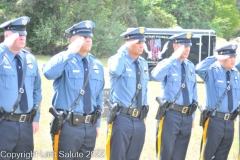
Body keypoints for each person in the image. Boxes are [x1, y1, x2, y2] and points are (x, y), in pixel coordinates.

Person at [42, 20, 104, 160]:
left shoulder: (97, 64)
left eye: (90, 37)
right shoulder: (65, 61)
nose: (88, 39)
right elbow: (48, 73)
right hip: (68, 126)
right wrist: (69, 52)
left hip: (89, 126)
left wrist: (97, 123)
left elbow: (100, 96)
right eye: (84, 37)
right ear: (73, 39)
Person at [0, 16, 42, 160]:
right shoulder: (1, 56)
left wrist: (36, 118)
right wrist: (4, 46)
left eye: (24, 33)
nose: (23, 36)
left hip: (26, 125)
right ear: (7, 36)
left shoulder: (30, 59)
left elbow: (37, 90)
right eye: (18, 34)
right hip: (3, 124)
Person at [151, 32, 198, 160]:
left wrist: (192, 115)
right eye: (184, 46)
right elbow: (156, 75)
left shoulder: (190, 66)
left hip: (187, 116)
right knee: (165, 153)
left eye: (189, 46)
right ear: (175, 46)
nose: (187, 49)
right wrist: (173, 58)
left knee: (180, 154)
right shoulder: (168, 63)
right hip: (171, 114)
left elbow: (193, 91)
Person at [106, 27, 149, 160]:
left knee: (134, 156)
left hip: (139, 118)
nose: (141, 45)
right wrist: (123, 49)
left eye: (143, 42)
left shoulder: (143, 63)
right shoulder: (117, 60)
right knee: (117, 156)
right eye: (137, 42)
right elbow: (115, 71)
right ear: (127, 43)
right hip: (121, 117)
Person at [196, 44, 240, 160]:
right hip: (215, 121)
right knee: (207, 155)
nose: (233, 59)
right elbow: (199, 69)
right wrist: (216, 57)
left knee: (222, 156)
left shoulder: (235, 74)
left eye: (234, 56)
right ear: (222, 58)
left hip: (230, 122)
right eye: (230, 57)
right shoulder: (212, 71)